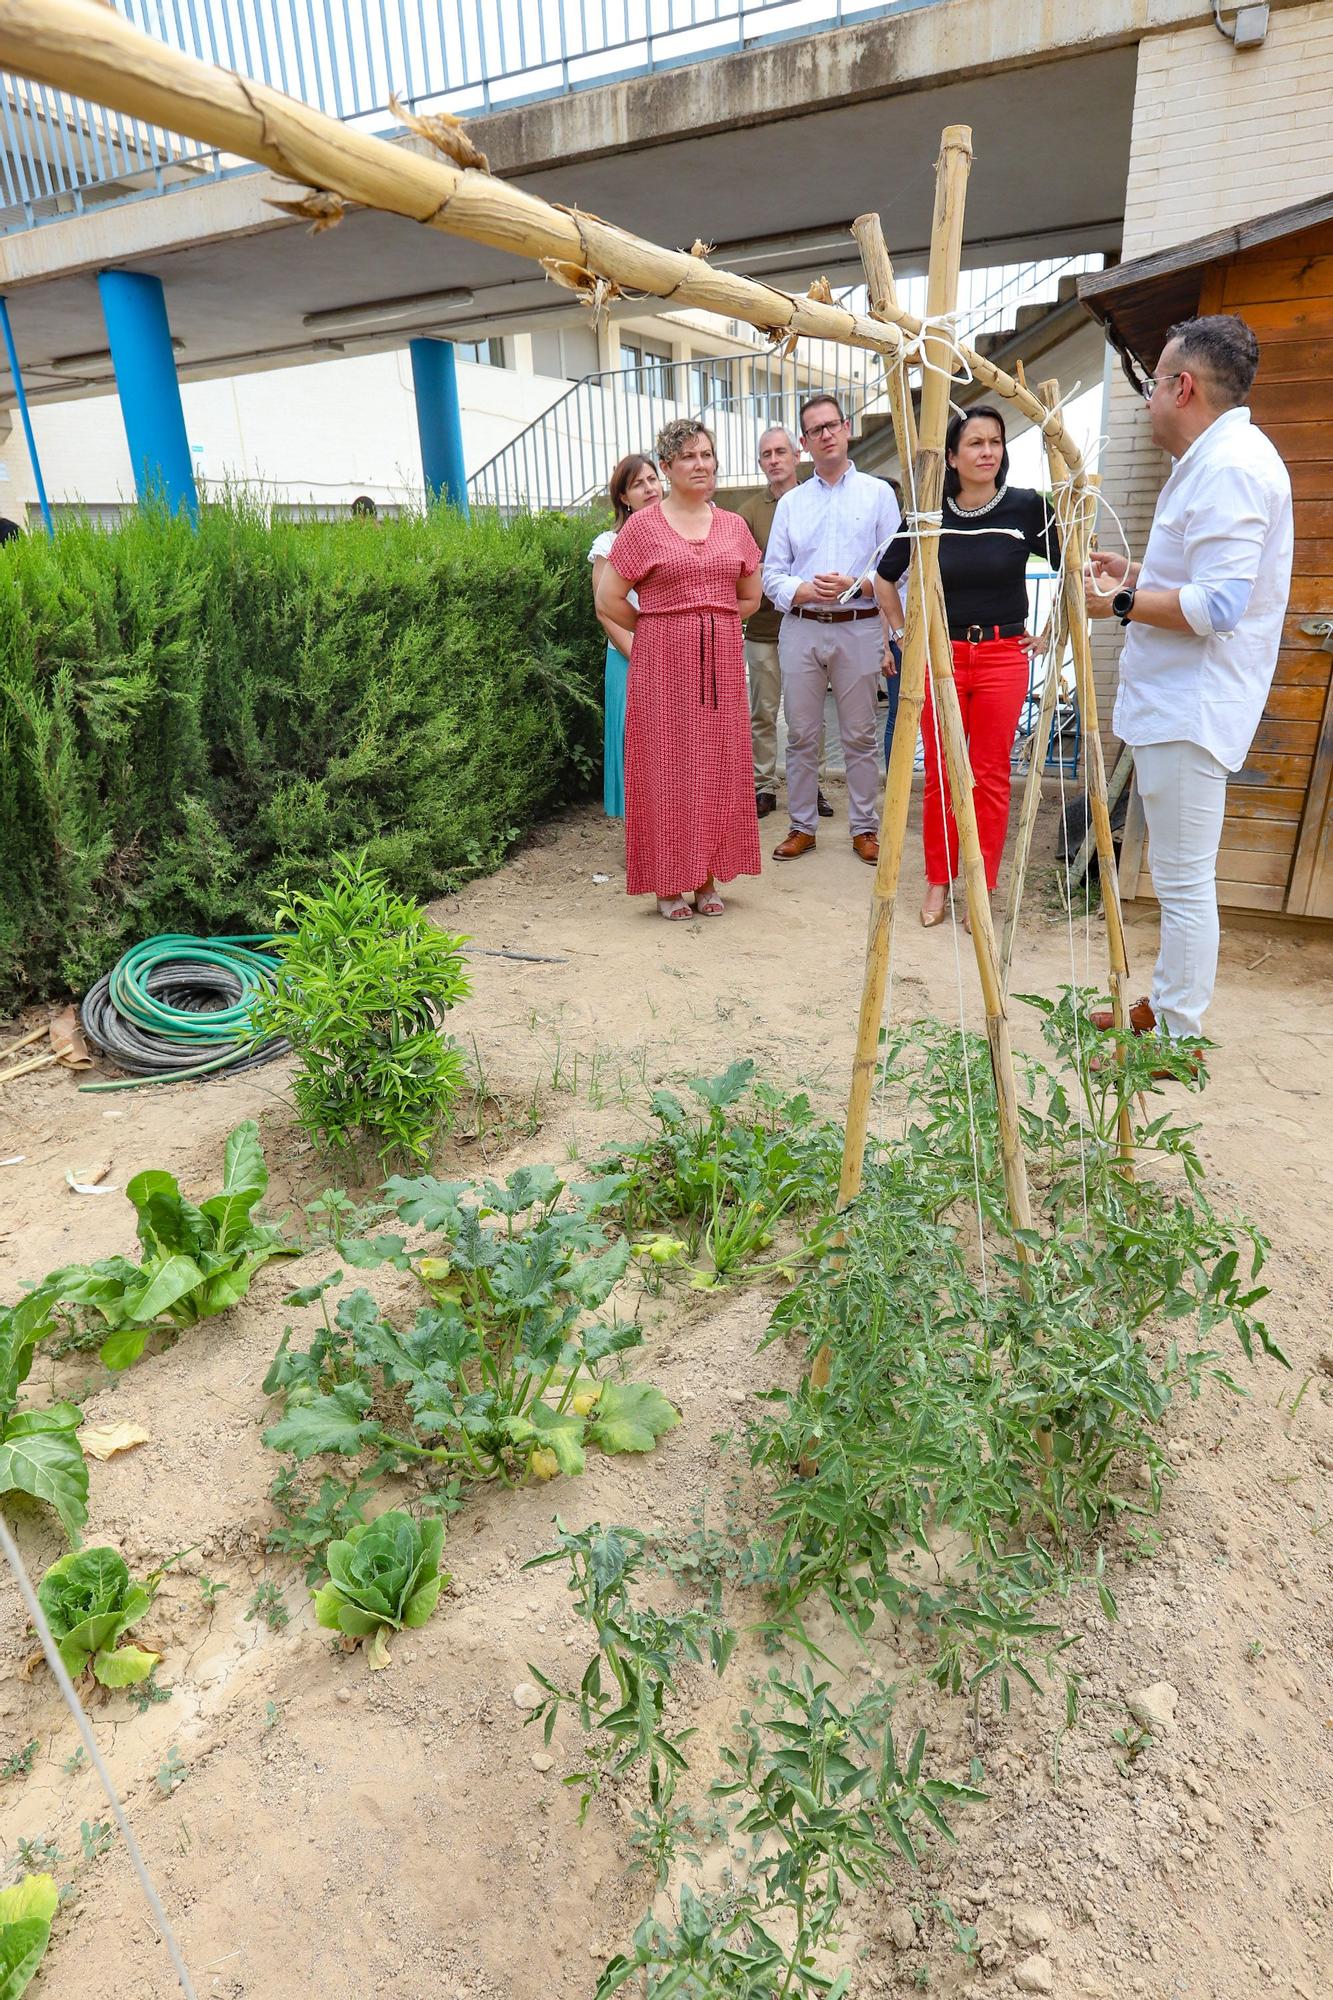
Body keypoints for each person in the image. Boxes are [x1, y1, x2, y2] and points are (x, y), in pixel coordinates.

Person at [1086, 313, 1293, 1048]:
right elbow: (1199, 579)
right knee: (1176, 877)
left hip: (1192, 704)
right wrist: (1134, 575)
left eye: (1149, 384)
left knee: (1180, 881)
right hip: (1176, 700)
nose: (1144, 401)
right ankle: (1165, 1004)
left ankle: (1177, 1033)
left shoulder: (1231, 466)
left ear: (1181, 387)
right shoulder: (1213, 457)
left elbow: (1218, 606)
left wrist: (1112, 602)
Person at [876, 405, 1058, 926]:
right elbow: (884, 577)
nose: (987, 452)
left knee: (990, 774)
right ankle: (938, 881)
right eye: (974, 443)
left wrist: (1050, 638)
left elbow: (1074, 567)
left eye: (995, 442)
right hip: (942, 657)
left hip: (1004, 655)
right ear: (952, 457)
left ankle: (981, 883)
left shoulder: (1027, 508)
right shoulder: (929, 512)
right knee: (939, 772)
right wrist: (900, 635)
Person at [596, 418, 763, 920]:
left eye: (707, 454)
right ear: (666, 467)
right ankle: (667, 883)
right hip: (661, 661)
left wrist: (711, 618)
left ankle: (707, 878)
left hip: (723, 662)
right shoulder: (644, 526)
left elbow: (751, 595)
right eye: (689, 456)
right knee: (666, 767)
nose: (702, 464)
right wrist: (659, 627)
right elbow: (608, 598)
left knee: (716, 765)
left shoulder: (734, 525)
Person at [763, 395, 901, 865]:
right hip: (801, 628)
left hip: (858, 625)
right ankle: (802, 826)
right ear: (805, 442)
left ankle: (864, 827)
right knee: (801, 734)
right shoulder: (791, 504)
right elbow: (772, 574)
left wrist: (856, 585)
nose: (825, 434)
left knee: (860, 735)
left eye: (831, 425)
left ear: (846, 429)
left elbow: (897, 569)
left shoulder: (879, 494)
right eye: (814, 429)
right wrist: (803, 590)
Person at [732, 428, 830, 821]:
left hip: (811, 626)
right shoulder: (748, 512)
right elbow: (743, 571)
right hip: (762, 630)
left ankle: (814, 784)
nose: (773, 460)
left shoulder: (818, 500)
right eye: (766, 454)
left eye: (780, 452)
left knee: (810, 715)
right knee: (762, 713)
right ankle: (763, 785)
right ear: (761, 463)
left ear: (796, 455)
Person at [589, 454, 663, 817]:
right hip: (629, 658)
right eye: (638, 483)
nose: (650, 488)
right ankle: (640, 837)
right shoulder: (609, 542)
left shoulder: (678, 532)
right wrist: (643, 655)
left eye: (653, 478)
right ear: (623, 497)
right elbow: (605, 610)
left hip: (675, 655)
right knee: (637, 746)